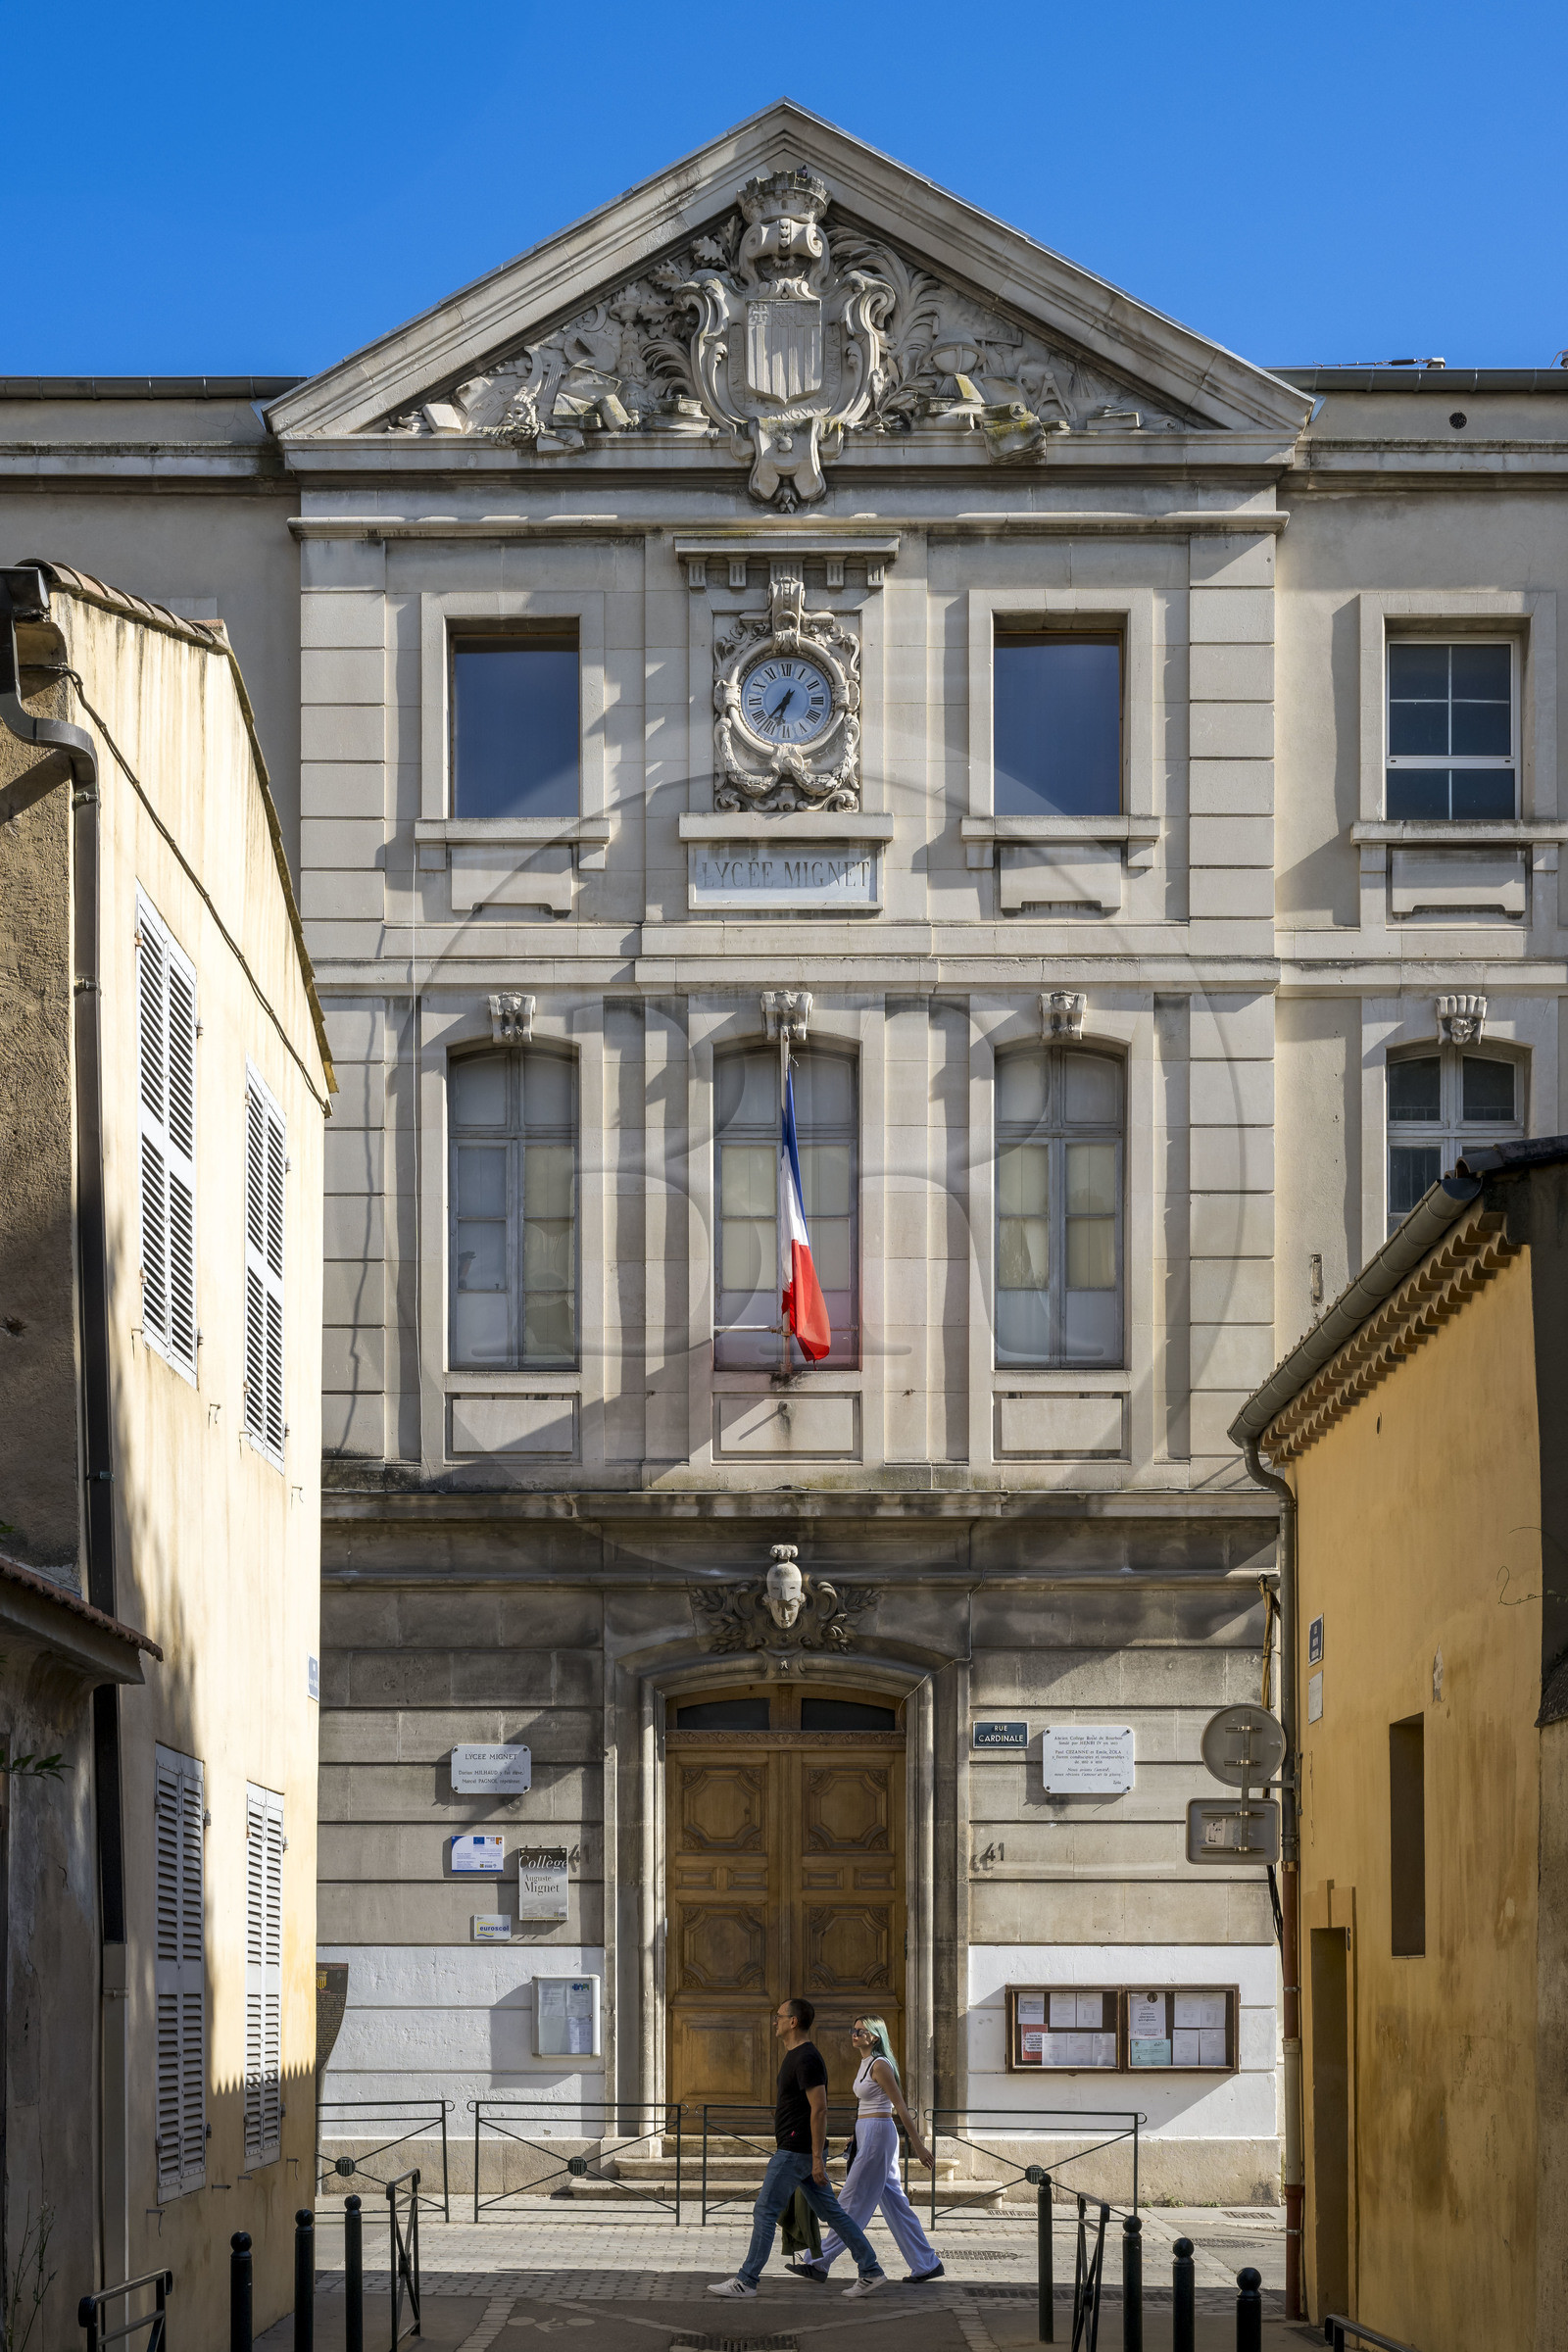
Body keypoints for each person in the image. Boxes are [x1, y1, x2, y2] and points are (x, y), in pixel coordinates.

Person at [707, 1996, 887, 2301]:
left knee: (764, 2211)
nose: (774, 2021)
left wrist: (817, 2158)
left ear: (793, 2021)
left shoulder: (806, 2057)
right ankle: (870, 2270)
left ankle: (746, 2280)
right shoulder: (796, 2055)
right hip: (801, 2151)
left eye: (778, 2016)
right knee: (835, 2215)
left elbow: (820, 2109)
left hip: (796, 2152)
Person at [791, 2015, 945, 2285]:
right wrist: (855, 2135)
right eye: (853, 2030)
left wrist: (918, 2145)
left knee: (851, 2200)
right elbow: (869, 2105)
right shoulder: (865, 2063)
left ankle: (818, 2261)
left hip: (879, 2133)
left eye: (860, 2031)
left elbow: (899, 2107)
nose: (854, 2034)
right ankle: (926, 2263)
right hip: (869, 2132)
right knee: (895, 2203)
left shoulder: (880, 2065)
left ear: (875, 2036)